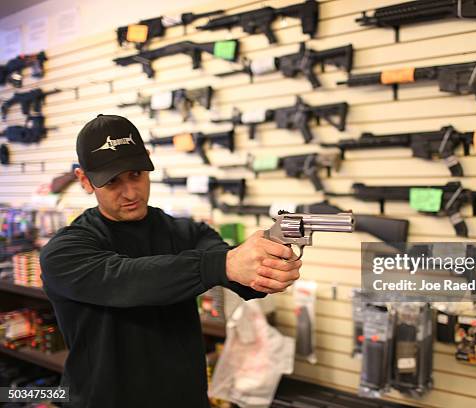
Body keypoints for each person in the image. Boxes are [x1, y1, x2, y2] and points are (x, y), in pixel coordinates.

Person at [40, 114, 302, 408]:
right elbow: (126, 279)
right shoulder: (64, 252)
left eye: (136, 175)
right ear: (84, 180)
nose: (129, 192)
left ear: (148, 162)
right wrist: (222, 264)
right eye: (112, 181)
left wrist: (267, 265)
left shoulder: (187, 232)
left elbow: (242, 277)